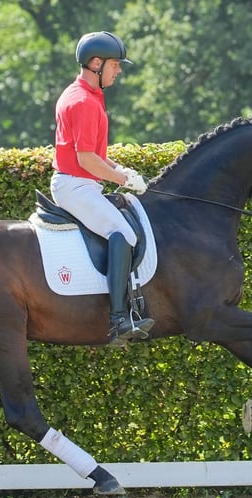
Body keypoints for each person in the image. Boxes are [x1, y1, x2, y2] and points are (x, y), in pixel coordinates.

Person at [50, 31, 154, 346]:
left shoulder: (89, 95)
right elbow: (84, 159)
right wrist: (122, 180)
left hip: (83, 182)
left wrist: (119, 169)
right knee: (124, 233)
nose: (118, 70)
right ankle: (119, 319)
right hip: (75, 186)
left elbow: (96, 156)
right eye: (115, 65)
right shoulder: (82, 101)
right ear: (96, 63)